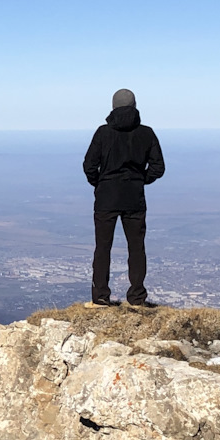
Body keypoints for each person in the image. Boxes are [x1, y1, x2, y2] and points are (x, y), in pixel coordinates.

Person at [83, 88, 165, 307]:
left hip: (106, 198)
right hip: (134, 198)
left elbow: (89, 165)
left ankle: (100, 295)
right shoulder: (146, 133)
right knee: (136, 247)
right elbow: (158, 167)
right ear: (135, 105)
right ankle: (137, 296)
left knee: (103, 247)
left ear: (113, 106)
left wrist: (100, 183)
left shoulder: (103, 133)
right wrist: (140, 179)